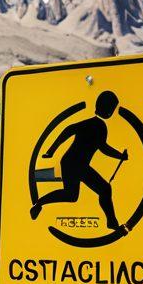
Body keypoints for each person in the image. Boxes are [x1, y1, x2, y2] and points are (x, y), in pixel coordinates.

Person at [30, 90, 128, 232]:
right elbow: (103, 147)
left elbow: (68, 130)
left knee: (72, 195)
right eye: (112, 108)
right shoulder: (98, 125)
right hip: (76, 164)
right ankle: (112, 222)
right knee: (104, 189)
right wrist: (120, 156)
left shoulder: (93, 123)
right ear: (108, 108)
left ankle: (39, 203)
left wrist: (51, 151)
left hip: (72, 163)